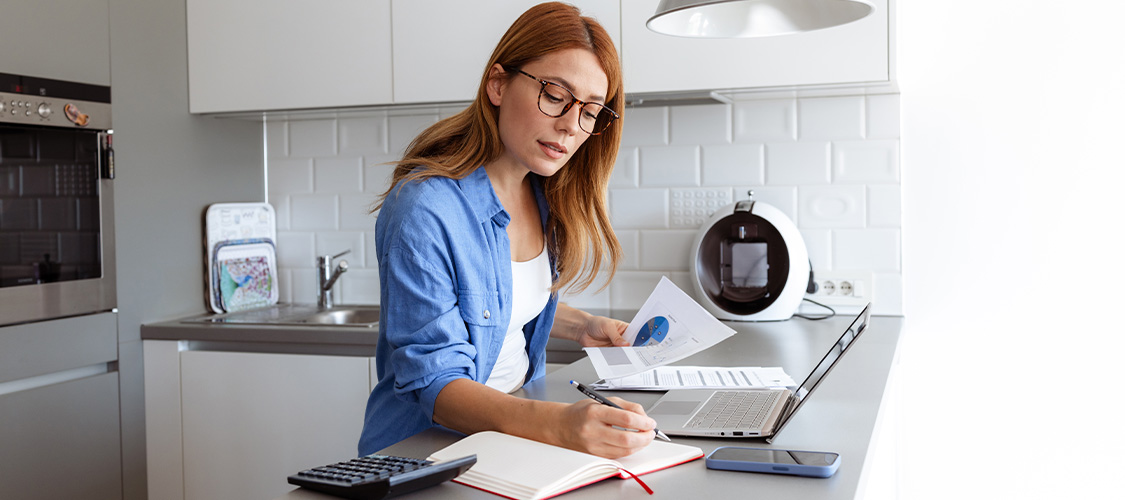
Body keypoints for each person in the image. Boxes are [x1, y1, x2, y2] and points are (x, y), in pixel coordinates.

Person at [358, 2, 657, 459]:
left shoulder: (541, 194)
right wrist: (560, 424)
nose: (570, 126)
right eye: (555, 96)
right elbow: (435, 383)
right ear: (498, 83)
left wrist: (582, 326)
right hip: (427, 454)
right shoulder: (425, 207)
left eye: (590, 111)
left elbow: (494, 302)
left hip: (510, 438)